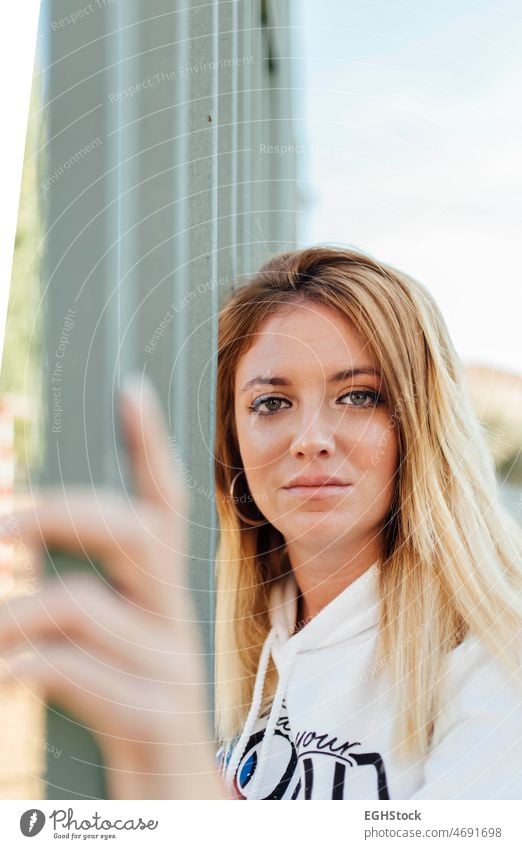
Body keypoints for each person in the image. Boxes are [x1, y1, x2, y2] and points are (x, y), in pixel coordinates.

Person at [0, 246, 520, 800]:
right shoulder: (238, 642)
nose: (311, 439)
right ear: (234, 443)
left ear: (420, 426)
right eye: (272, 403)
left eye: (359, 396)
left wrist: (182, 775)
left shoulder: (496, 662)